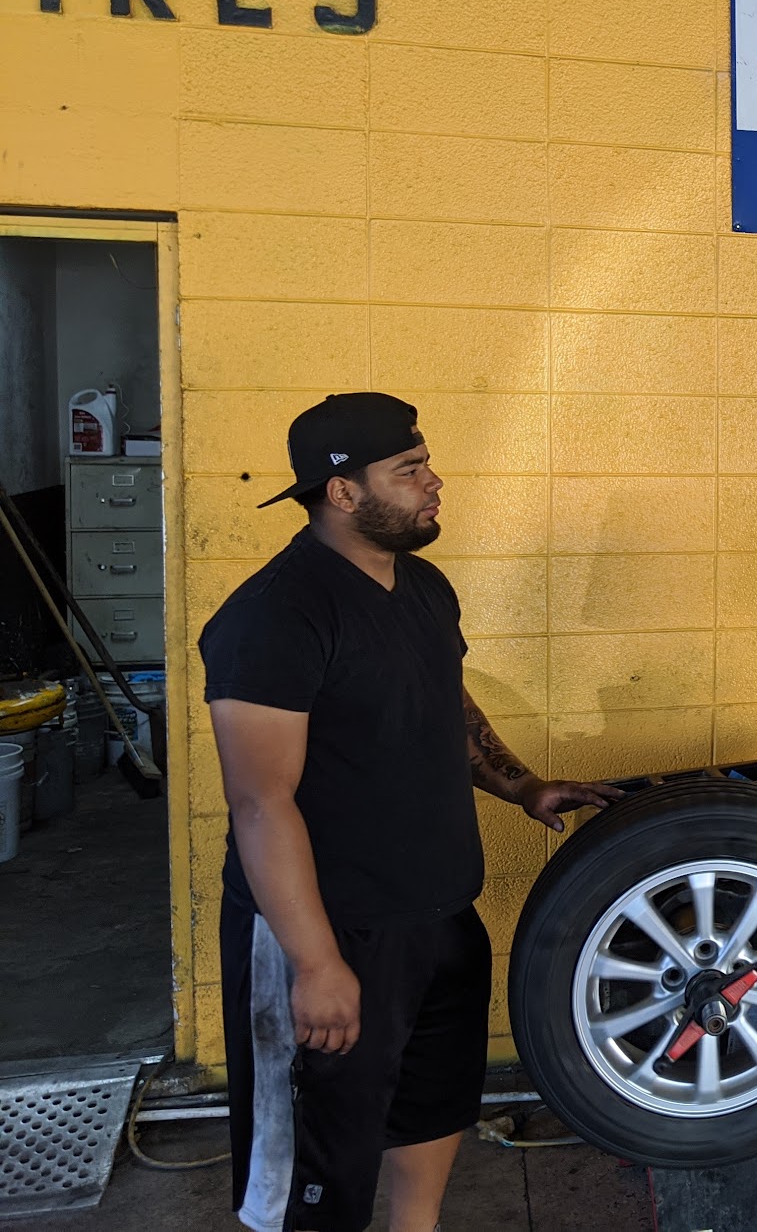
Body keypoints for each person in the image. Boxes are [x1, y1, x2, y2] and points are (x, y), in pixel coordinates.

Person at [200, 392, 620, 1232]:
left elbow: (443, 705)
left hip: (437, 915)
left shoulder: (423, 587)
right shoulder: (275, 616)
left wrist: (521, 785)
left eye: (424, 463)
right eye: (409, 469)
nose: (435, 482)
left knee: (431, 1102)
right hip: (331, 930)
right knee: (319, 1157)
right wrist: (316, 964)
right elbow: (259, 802)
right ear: (343, 492)